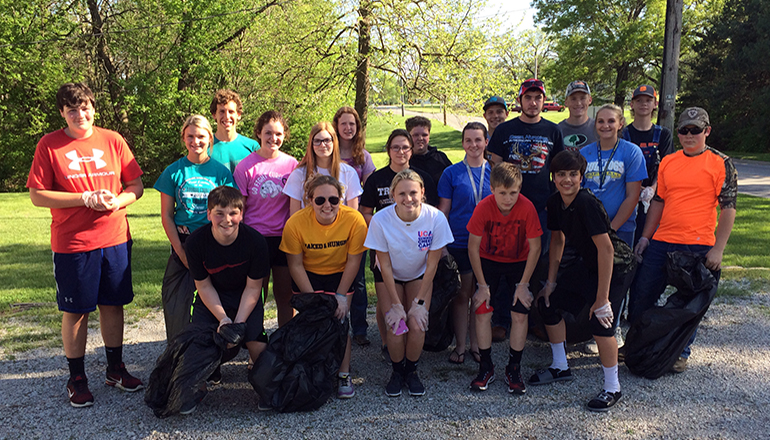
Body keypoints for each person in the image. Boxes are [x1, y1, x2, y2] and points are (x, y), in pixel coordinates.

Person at [27, 83, 145, 408]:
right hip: (73, 243)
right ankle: (76, 377)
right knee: (76, 310)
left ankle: (115, 368)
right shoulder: (50, 145)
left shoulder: (112, 140)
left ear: (94, 107)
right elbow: (37, 194)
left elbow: (136, 185)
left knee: (113, 303)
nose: (81, 114)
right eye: (72, 109)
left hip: (115, 237)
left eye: (85, 107)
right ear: (62, 113)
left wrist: (117, 201)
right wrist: (84, 198)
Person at [630, 107, 736, 373]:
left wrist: (718, 249)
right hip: (662, 241)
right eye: (684, 130)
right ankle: (637, 344)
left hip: (698, 245)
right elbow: (658, 201)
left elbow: (728, 208)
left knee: (689, 304)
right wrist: (645, 237)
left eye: (695, 130)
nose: (689, 135)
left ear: (707, 131)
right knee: (642, 295)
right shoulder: (669, 161)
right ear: (677, 133)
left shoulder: (721, 163)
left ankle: (681, 352)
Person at [530, 150, 637, 412]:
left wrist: (602, 299)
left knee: (600, 321)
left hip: (616, 266)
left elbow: (607, 250)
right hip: (588, 264)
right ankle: (560, 366)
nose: (567, 180)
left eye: (573, 174)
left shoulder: (587, 203)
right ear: (553, 178)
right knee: (547, 302)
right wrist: (551, 282)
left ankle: (613, 387)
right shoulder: (555, 202)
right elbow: (557, 241)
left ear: (581, 177)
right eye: (561, 175)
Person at [486, 78, 564, 340]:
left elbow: (559, 168)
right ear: (520, 101)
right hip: (509, 206)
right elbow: (495, 166)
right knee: (506, 261)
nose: (533, 102)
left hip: (541, 205)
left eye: (538, 98)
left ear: (544, 101)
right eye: (528, 98)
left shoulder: (553, 131)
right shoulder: (505, 131)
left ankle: (532, 317)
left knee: (537, 262)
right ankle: (501, 319)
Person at [364, 169, 454, 397]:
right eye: (401, 193)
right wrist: (395, 305)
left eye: (413, 192)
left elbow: (432, 265)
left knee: (416, 322)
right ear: (393, 194)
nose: (408, 198)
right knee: (396, 325)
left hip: (419, 275)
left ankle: (411, 370)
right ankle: (396, 371)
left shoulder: (435, 218)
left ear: (422, 192)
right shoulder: (381, 220)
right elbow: (384, 266)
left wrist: (420, 302)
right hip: (390, 276)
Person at [280, 175, 368, 399]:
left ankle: (343, 374)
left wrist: (340, 295)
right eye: (320, 200)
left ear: (341, 199)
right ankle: (309, 370)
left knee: (340, 321)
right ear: (309, 200)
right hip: (308, 274)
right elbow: (295, 265)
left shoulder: (354, 220)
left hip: (340, 273)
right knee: (312, 322)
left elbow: (354, 262)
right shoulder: (296, 223)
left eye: (333, 199)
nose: (327, 205)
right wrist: (314, 301)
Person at [184, 186, 270, 411]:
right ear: (208, 214)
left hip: (245, 295)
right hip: (213, 296)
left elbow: (253, 288)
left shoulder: (256, 242)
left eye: (233, 213)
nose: (227, 220)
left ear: (241, 214)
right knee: (199, 341)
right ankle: (198, 388)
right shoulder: (195, 243)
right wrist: (223, 320)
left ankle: (265, 387)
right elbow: (203, 286)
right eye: (219, 213)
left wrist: (240, 323)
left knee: (256, 342)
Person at [154, 115, 235, 342]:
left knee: (214, 300)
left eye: (201, 136)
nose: (195, 141)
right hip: (184, 241)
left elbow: (230, 212)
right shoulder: (173, 172)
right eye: (190, 136)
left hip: (213, 241)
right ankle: (179, 348)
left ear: (210, 138)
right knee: (177, 302)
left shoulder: (220, 173)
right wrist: (180, 250)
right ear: (183, 138)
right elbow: (167, 216)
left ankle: (213, 348)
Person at [360, 129, 438, 358]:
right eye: (396, 147)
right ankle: (388, 345)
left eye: (405, 147)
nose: (401, 151)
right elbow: (365, 211)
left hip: (415, 249)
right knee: (390, 308)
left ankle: (411, 355)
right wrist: (386, 230)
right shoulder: (376, 178)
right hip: (384, 246)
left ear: (411, 150)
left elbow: (429, 214)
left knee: (410, 308)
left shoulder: (422, 178)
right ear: (388, 150)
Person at [467, 163, 542, 394]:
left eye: (513, 193)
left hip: (519, 262)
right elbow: (473, 247)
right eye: (502, 193)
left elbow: (535, 247)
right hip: (488, 260)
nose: (508, 199)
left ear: (520, 189)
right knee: (482, 309)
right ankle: (486, 365)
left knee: (520, 313)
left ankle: (514, 367)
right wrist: (481, 285)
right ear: (492, 189)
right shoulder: (483, 207)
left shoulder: (527, 207)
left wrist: (524, 285)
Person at [233, 110, 298, 327]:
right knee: (254, 297)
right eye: (268, 133)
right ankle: (255, 345)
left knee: (286, 297)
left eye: (278, 133)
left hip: (284, 238)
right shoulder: (245, 166)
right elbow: (239, 207)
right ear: (259, 133)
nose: (273, 138)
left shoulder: (292, 165)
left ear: (284, 135)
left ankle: (285, 343)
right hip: (254, 238)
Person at [437, 122, 493, 365]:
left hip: (489, 245)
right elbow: (443, 211)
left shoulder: (496, 172)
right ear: (462, 143)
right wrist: (442, 245)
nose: (473, 145)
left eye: (478, 140)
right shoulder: (451, 173)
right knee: (462, 295)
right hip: (459, 242)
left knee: (481, 295)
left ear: (486, 142)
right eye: (468, 140)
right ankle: (460, 346)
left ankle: (478, 344)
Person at [333, 107, 376, 347]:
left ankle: (359, 327)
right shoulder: (329, 152)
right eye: (344, 124)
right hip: (329, 222)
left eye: (352, 124)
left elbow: (369, 191)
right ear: (336, 126)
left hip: (355, 224)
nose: (348, 128)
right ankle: (335, 324)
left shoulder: (363, 157)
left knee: (358, 279)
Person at [580, 104, 647, 247]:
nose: (605, 126)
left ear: (620, 124)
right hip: (589, 228)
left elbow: (633, 196)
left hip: (621, 229)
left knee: (617, 269)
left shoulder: (632, 152)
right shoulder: (584, 153)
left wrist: (610, 230)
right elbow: (578, 191)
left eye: (611, 121)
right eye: (601, 121)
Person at [621, 85, 675, 246]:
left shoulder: (663, 134)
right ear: (632, 104)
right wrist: (637, 189)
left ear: (655, 104)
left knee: (650, 244)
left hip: (655, 199)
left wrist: (653, 188)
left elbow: (667, 166)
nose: (643, 104)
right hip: (627, 197)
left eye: (648, 100)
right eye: (639, 100)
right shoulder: (623, 134)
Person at [283, 122, 362, 214]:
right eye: (317, 141)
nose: (322, 145)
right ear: (311, 144)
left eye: (327, 140)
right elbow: (294, 216)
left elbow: (353, 214)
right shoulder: (298, 174)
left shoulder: (349, 173)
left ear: (334, 142)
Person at [209, 89, 260, 173]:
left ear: (238, 115)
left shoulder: (252, 147)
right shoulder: (205, 147)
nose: (227, 116)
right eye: (222, 111)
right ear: (214, 115)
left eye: (231, 111)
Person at [405, 116, 453, 185]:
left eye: (424, 135)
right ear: (408, 136)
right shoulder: (405, 161)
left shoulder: (440, 158)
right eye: (416, 135)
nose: (420, 138)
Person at [559, 80, 597, 152]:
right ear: (566, 102)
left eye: (583, 98)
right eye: (573, 99)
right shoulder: (558, 130)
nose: (578, 103)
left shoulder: (598, 129)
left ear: (590, 100)